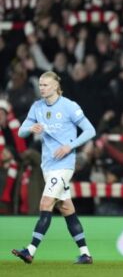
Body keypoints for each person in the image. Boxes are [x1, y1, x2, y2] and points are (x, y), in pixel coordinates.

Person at [11, 71, 96, 264]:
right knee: (66, 208)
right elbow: (21, 131)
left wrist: (70, 146)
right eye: (40, 85)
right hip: (47, 165)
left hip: (64, 165)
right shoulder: (37, 107)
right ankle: (85, 254)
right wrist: (30, 128)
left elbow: (90, 130)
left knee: (45, 203)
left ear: (56, 86)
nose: (42, 88)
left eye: (46, 85)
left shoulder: (69, 106)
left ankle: (30, 250)